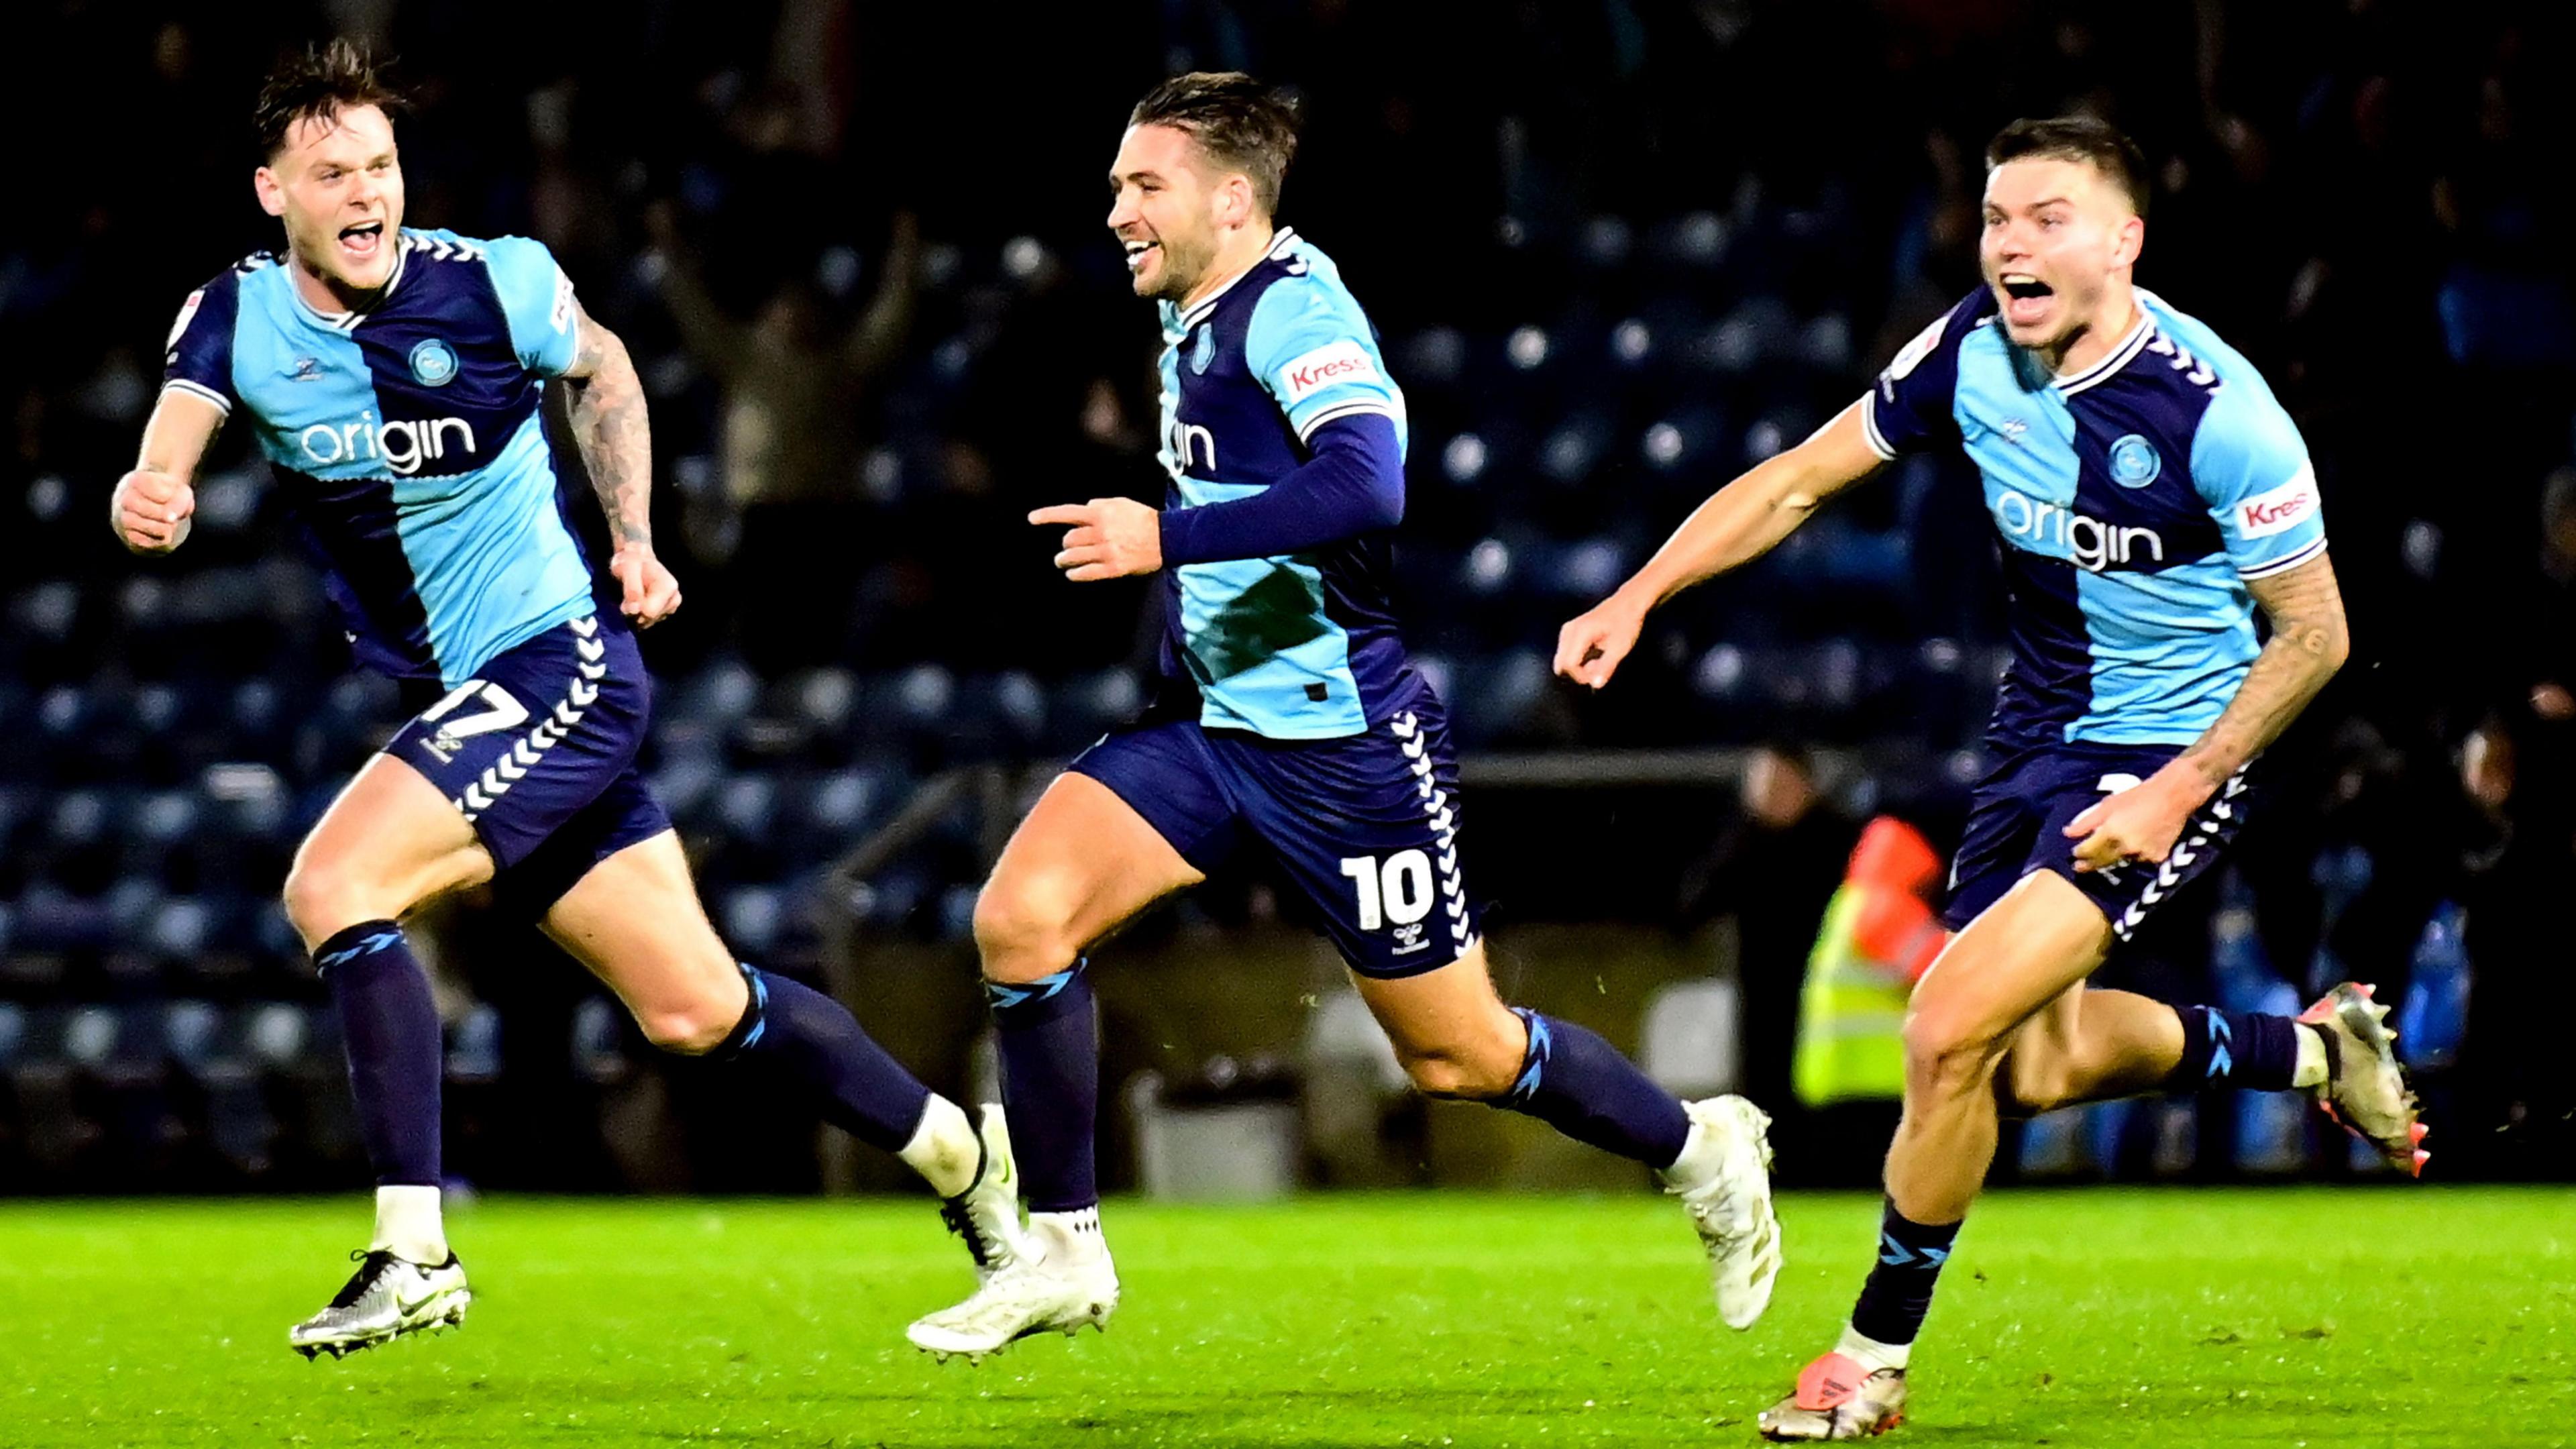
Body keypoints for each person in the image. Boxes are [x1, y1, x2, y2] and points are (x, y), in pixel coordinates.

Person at [110, 40, 1019, 1360]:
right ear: (274, 194)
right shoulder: (235, 320)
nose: (366, 194)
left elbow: (605, 370)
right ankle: (964, 1159)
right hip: (476, 697)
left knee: (334, 886)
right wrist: (157, 492)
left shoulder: (493, 283)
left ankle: (412, 1248)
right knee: (696, 1008)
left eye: (381, 165)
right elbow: (171, 442)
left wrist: (636, 536)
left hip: (554, 667)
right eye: (332, 174)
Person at [1554, 117, 2425, 1440]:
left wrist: (2183, 786)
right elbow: (1796, 482)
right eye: (1997, 217)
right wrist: (1642, 591)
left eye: (2049, 217)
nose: (2011, 241)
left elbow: (2319, 637)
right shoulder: (1968, 350)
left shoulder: (2218, 412)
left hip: (2171, 750)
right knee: (2047, 1062)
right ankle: (2315, 1052)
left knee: (1944, 1030)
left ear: (2125, 241)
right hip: (2035, 742)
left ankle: (1869, 1364)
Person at [902, 71, 1780, 1362]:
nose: (1117, 213)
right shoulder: (1191, 314)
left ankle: (1700, 1151)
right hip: (1209, 727)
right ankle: (1063, 1249)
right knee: (1020, 920)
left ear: (1234, 199)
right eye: (1114, 188)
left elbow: (1369, 484)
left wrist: (1169, 536)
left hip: (1342, 743)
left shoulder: (1296, 310)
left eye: (1144, 187)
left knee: (1461, 1055)